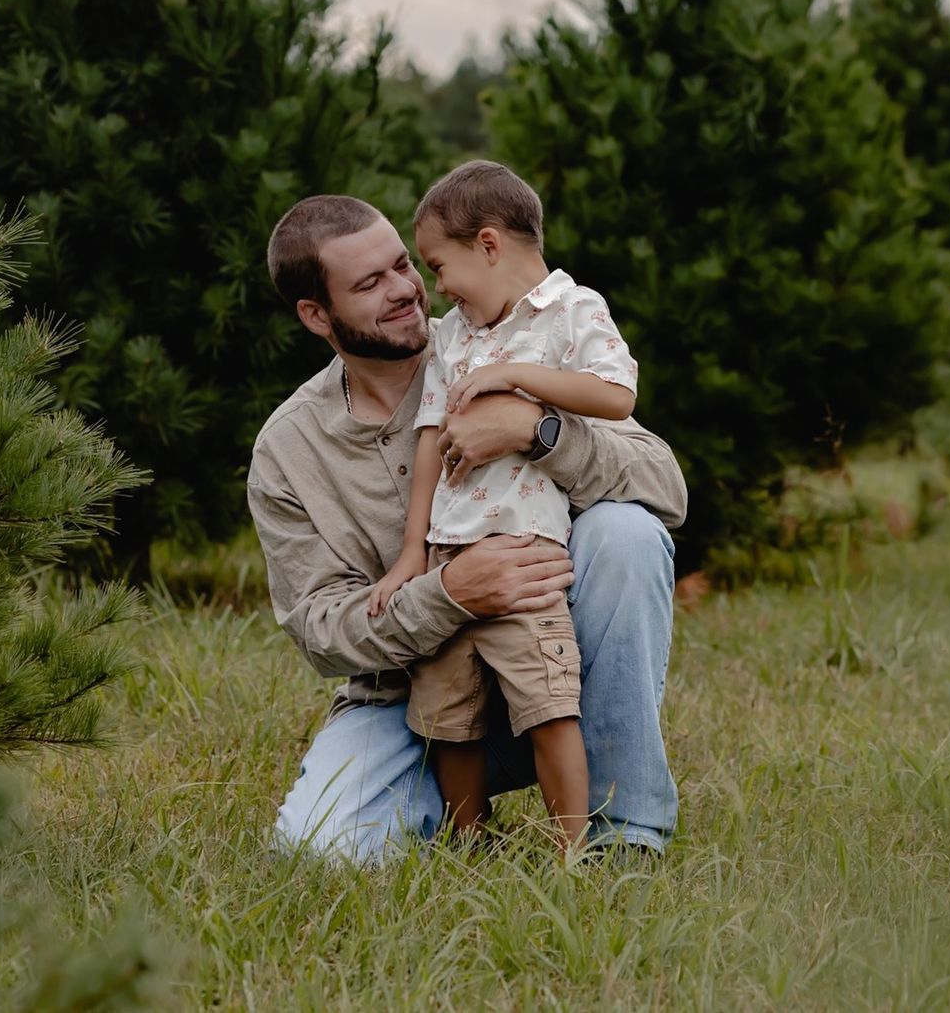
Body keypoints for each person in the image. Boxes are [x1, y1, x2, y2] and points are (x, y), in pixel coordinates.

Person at [248, 192, 685, 864]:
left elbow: (664, 487)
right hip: (408, 704)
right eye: (370, 283)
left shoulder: (503, 339)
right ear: (316, 313)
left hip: (550, 651)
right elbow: (322, 630)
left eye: (404, 265)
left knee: (626, 533)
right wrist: (449, 591)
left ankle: (624, 833)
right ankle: (460, 829)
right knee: (320, 849)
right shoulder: (288, 449)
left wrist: (538, 431)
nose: (406, 290)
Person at [367, 160, 639, 850]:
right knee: (446, 715)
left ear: (488, 244)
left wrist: (517, 377)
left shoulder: (574, 311)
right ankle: (470, 840)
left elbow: (617, 395)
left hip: (525, 555)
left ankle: (570, 849)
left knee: (549, 704)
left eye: (438, 265)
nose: (436, 287)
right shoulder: (452, 333)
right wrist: (411, 556)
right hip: (449, 555)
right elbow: (431, 437)